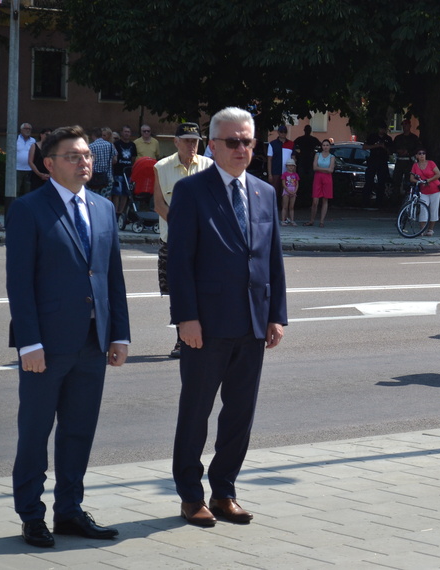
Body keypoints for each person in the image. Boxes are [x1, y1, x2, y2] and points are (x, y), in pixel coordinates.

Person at [6, 125, 130, 547]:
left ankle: (70, 511)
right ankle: (31, 515)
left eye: (87, 155)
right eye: (73, 156)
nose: (84, 162)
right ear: (49, 163)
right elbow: (19, 283)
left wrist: (119, 334)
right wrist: (29, 343)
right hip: (46, 345)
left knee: (78, 431)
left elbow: (112, 277)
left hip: (93, 342)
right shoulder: (28, 209)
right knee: (35, 433)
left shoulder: (103, 208)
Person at [167, 106, 287, 527]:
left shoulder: (264, 191)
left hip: (253, 323)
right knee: (195, 412)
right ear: (213, 145)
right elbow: (180, 260)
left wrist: (276, 315)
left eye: (247, 141)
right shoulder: (191, 191)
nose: (241, 149)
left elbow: (272, 259)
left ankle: (224, 491)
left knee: (239, 414)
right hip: (207, 324)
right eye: (233, 141)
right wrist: (186, 318)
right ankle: (190, 495)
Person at [153, 123, 213, 359]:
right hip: (173, 242)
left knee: (204, 290)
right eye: (187, 140)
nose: (191, 145)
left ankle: (204, 335)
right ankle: (181, 339)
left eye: (195, 141)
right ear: (176, 142)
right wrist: (183, 228)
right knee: (177, 292)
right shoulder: (162, 167)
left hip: (204, 243)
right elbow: (159, 205)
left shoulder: (209, 166)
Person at [410, 149, 440, 236]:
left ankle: (430, 229)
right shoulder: (415, 165)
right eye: (420, 153)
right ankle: (422, 229)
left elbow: (438, 174)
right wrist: (419, 181)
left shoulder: (431, 163)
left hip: (435, 189)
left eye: (423, 153)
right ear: (416, 156)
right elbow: (411, 178)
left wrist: (428, 180)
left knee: (433, 209)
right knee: (423, 208)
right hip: (424, 191)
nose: (422, 155)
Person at [362, 124, 393, 208]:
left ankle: (379, 203)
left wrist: (384, 147)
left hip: (383, 162)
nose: (382, 130)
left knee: (381, 182)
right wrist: (376, 145)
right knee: (369, 181)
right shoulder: (372, 137)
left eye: (383, 129)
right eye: (380, 128)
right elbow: (364, 147)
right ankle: (365, 201)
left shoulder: (388, 139)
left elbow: (391, 152)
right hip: (373, 161)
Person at [306, 139, 335, 227]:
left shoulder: (332, 157)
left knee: (325, 199)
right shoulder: (317, 155)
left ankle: (322, 221)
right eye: (324, 145)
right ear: (321, 146)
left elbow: (331, 170)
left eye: (327, 145)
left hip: (327, 178)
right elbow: (315, 168)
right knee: (315, 200)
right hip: (318, 177)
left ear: (330, 146)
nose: (325, 147)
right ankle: (312, 220)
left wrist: (320, 169)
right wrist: (326, 169)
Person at [392, 118, 422, 196]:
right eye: (403, 125)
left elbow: (418, 149)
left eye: (406, 125)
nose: (405, 127)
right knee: (396, 181)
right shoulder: (398, 138)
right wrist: (398, 151)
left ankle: (407, 197)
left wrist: (408, 152)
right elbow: (393, 148)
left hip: (409, 162)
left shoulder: (414, 138)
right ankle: (395, 197)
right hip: (399, 161)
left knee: (408, 182)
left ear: (410, 126)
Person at [112, 125, 137, 215]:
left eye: (128, 132)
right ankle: (115, 212)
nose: (127, 134)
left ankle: (121, 212)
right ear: (122, 133)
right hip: (118, 172)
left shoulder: (132, 145)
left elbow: (133, 158)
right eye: (125, 131)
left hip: (128, 173)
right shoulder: (116, 144)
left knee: (126, 193)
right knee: (117, 193)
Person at [292, 125, 321, 197]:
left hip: (306, 160)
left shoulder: (301, 139)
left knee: (307, 178)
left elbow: (292, 145)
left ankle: (304, 193)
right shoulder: (312, 139)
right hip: (306, 160)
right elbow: (292, 146)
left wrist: (297, 154)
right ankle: (305, 193)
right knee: (304, 178)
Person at [87, 127, 115, 193]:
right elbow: (115, 160)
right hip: (107, 177)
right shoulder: (111, 145)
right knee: (105, 197)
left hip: (94, 178)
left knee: (93, 197)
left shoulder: (90, 146)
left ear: (93, 135)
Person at [266, 125, 293, 194]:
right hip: (275, 172)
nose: (283, 133)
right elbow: (269, 160)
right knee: (274, 192)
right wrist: (270, 174)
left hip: (288, 173)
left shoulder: (291, 144)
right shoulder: (272, 144)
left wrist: (293, 173)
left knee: (286, 193)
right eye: (281, 131)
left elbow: (294, 159)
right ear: (278, 132)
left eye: (285, 132)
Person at [16, 123, 35, 196]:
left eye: (29, 129)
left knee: (28, 190)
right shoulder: (16, 139)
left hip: (29, 169)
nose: (28, 130)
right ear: (21, 130)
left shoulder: (33, 140)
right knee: (16, 190)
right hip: (17, 169)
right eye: (26, 128)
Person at [280, 159, 299, 226]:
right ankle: (283, 220)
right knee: (285, 206)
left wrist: (295, 191)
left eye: (292, 165)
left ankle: (292, 220)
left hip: (293, 191)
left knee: (291, 207)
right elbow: (283, 183)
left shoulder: (295, 175)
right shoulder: (284, 174)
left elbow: (297, 184)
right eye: (289, 165)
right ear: (287, 166)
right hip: (286, 191)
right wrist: (287, 190)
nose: (291, 167)